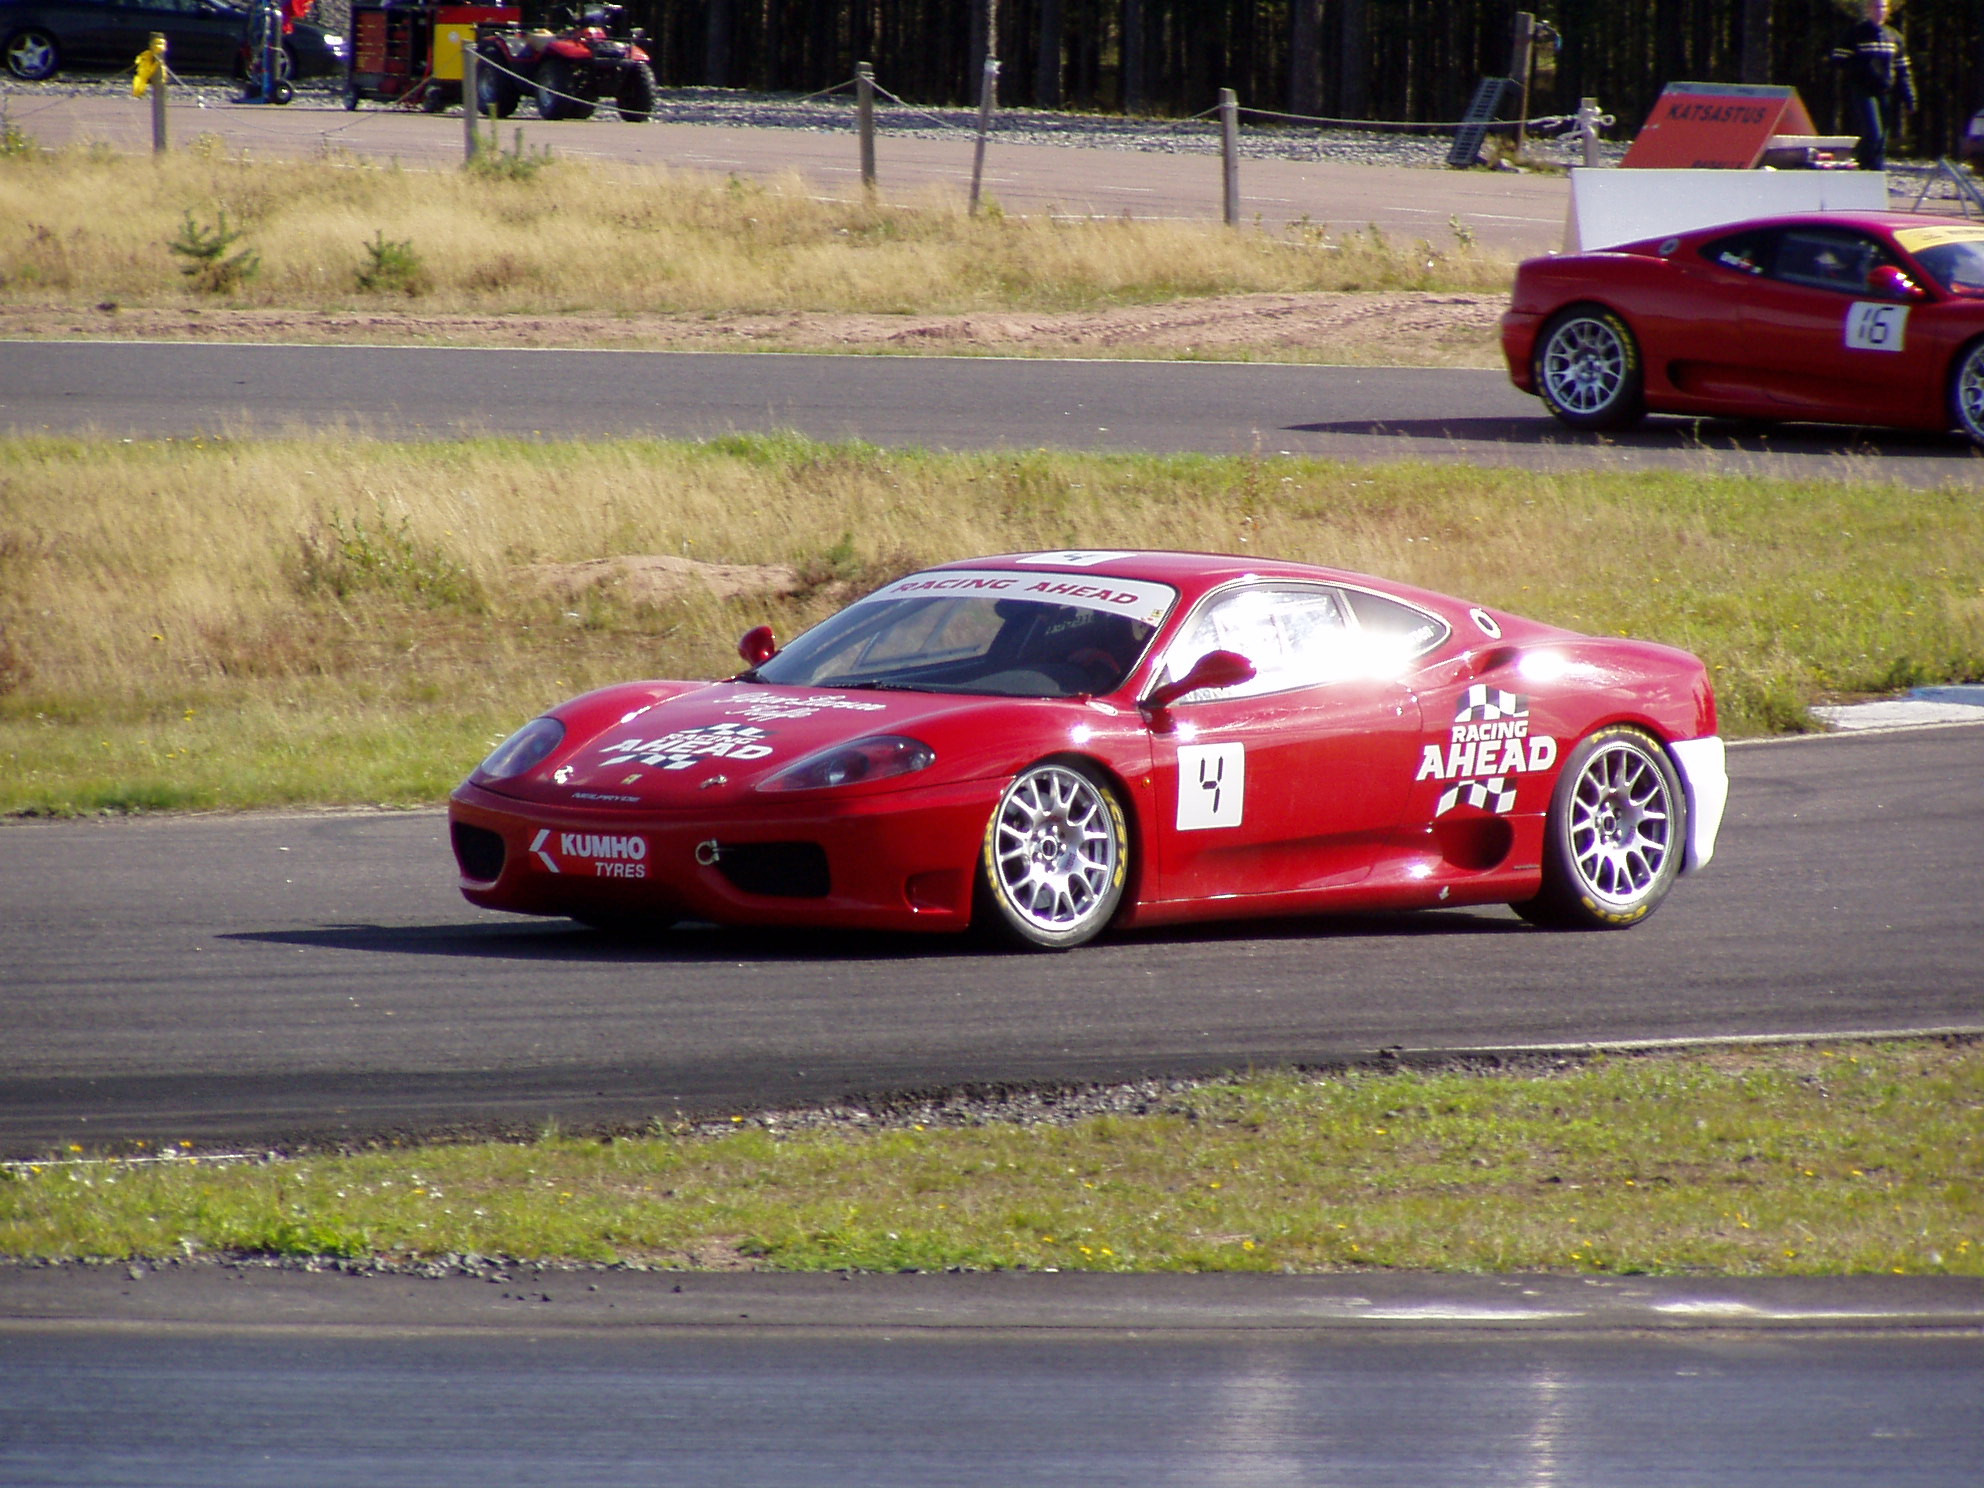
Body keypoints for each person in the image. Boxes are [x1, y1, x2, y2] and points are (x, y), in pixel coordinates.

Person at [1830, 0, 1916, 171]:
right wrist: (1861, 69)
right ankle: (1864, 166)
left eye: (1883, 7)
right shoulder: (1857, 33)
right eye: (1876, 7)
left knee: (1883, 137)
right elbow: (1839, 58)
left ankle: (1877, 171)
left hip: (1884, 91)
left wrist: (1909, 97)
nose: (1879, 11)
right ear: (1869, 9)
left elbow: (1903, 70)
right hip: (1863, 90)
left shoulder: (1894, 37)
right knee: (1873, 133)